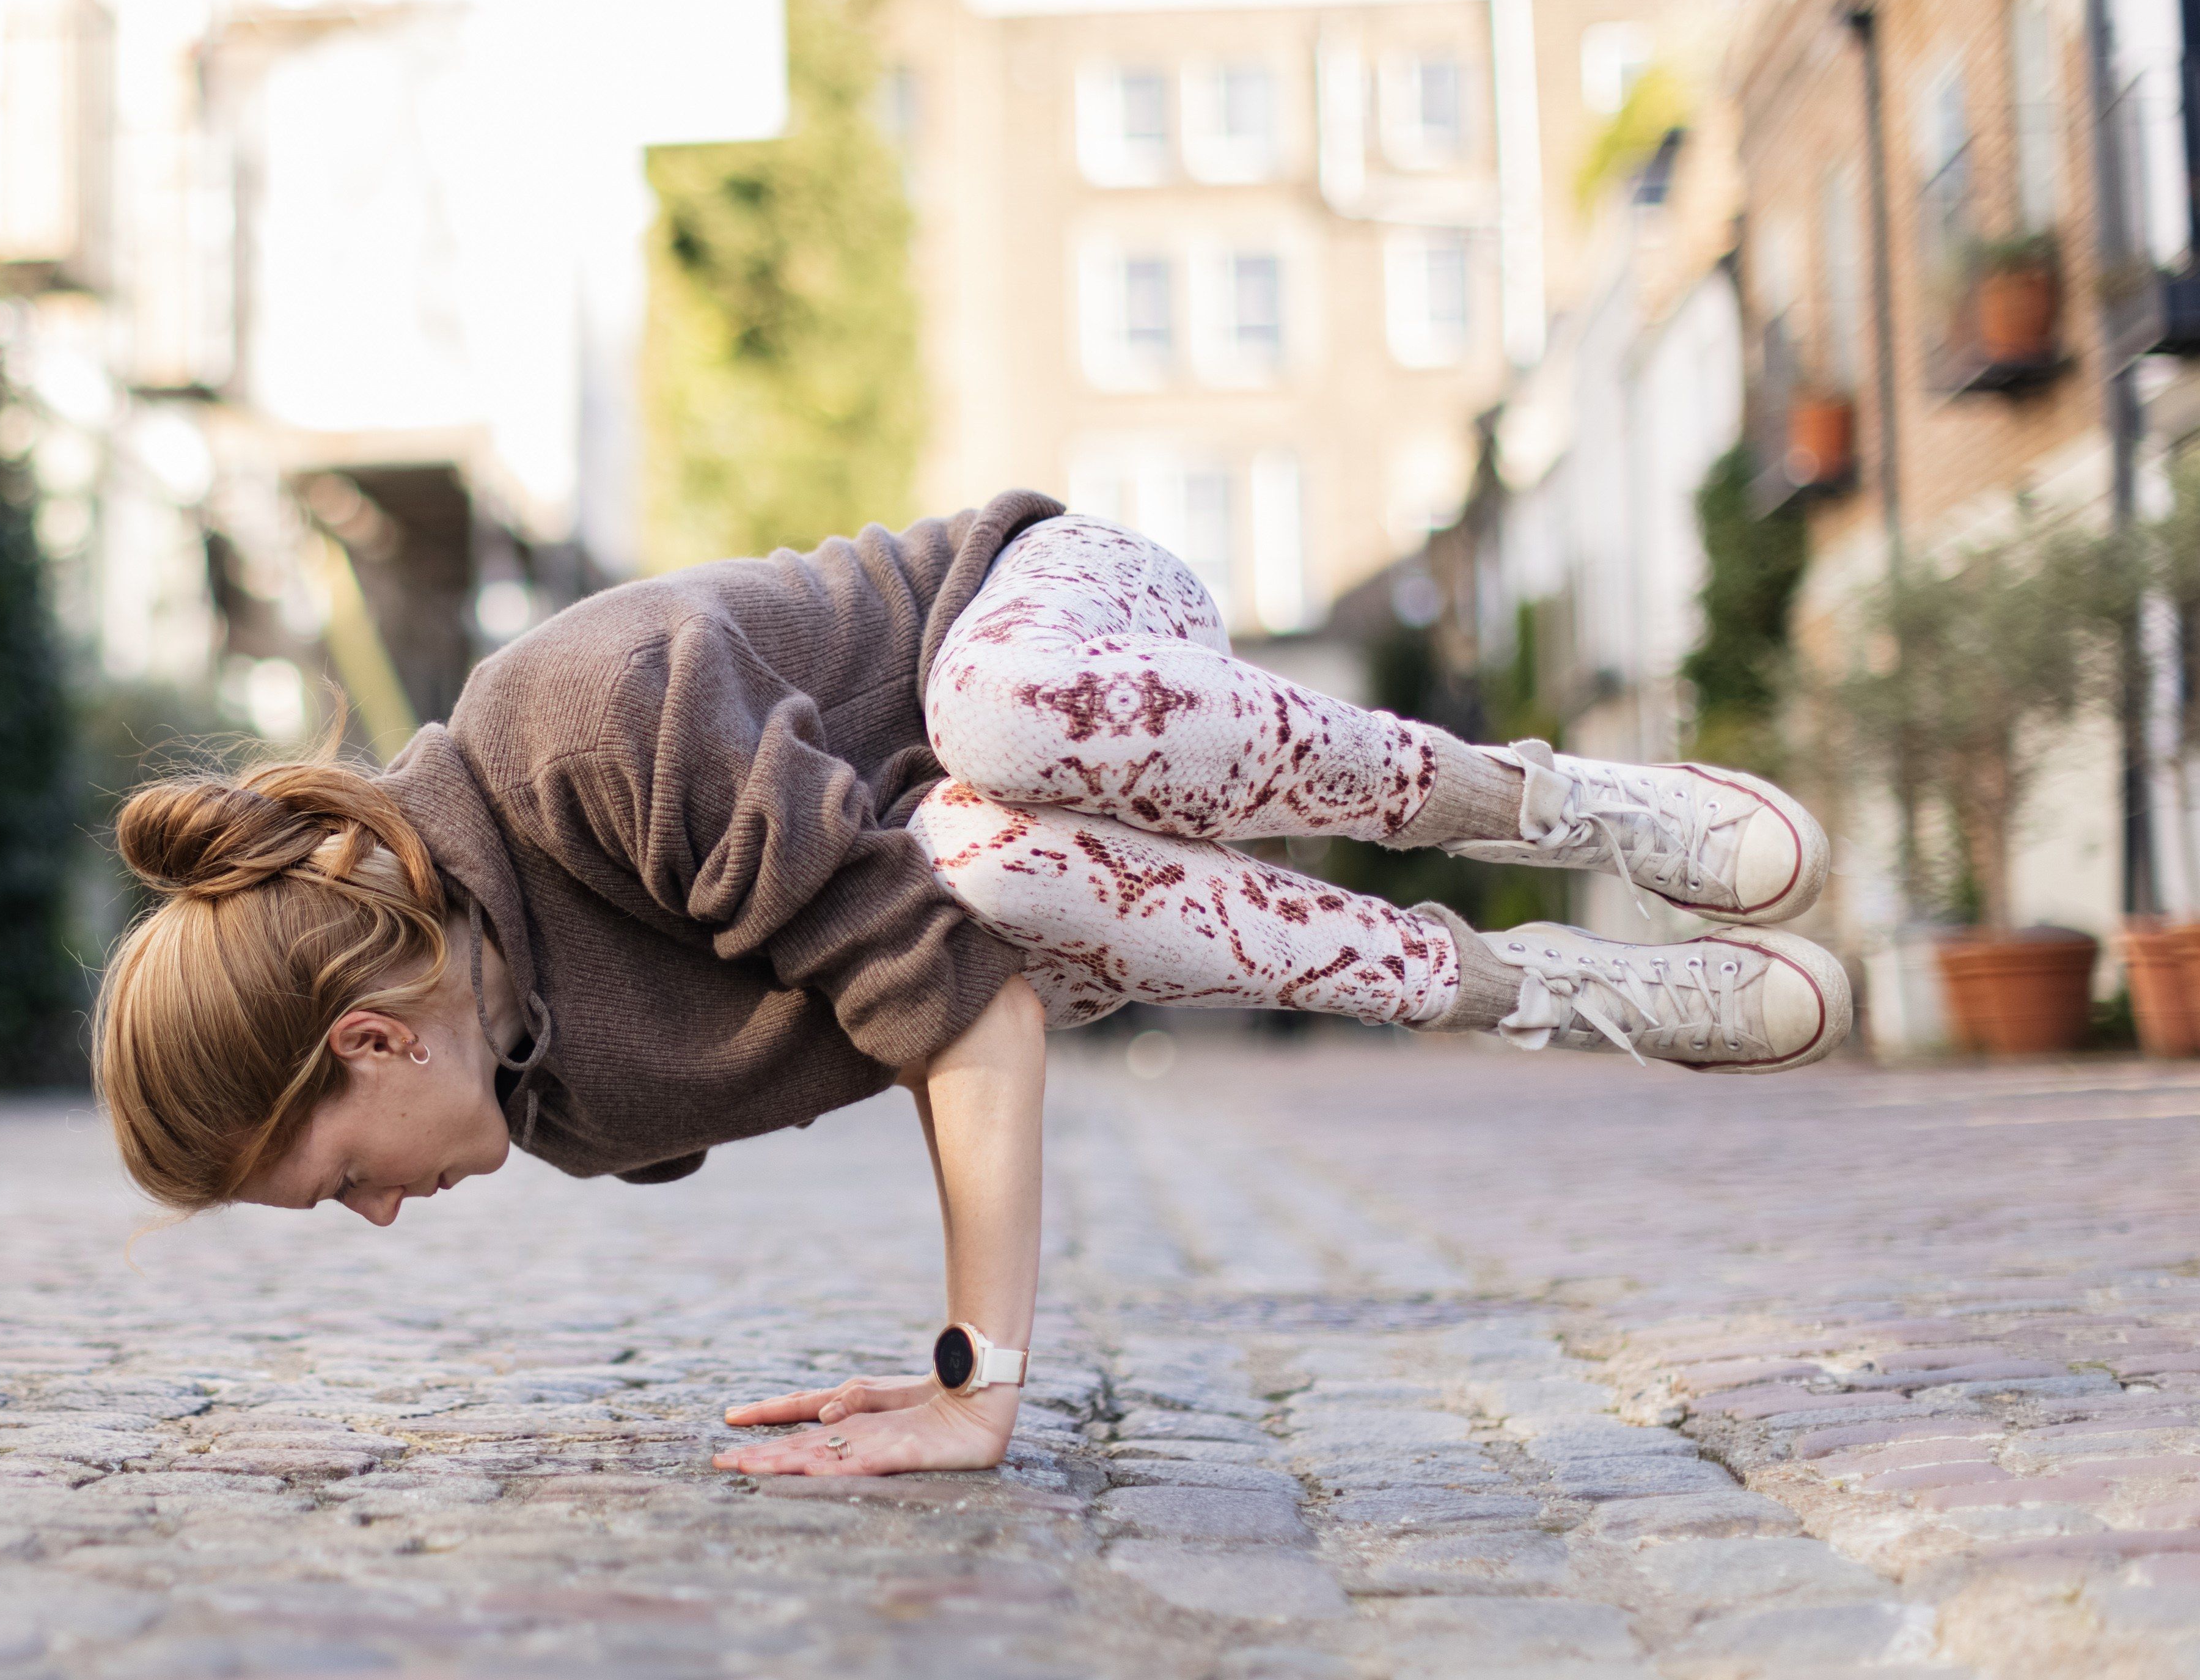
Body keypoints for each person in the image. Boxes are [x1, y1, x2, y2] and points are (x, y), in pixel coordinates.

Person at [94, 494, 1844, 1478]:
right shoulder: (558, 1107)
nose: (384, 1211)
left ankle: (1543, 799)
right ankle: (1557, 987)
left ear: (371, 1035)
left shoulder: (579, 718)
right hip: (1003, 877)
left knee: (988, 777)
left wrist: (970, 1377)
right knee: (988, 868)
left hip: (1061, 622)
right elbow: (958, 993)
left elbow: (962, 1022)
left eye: (343, 1176)